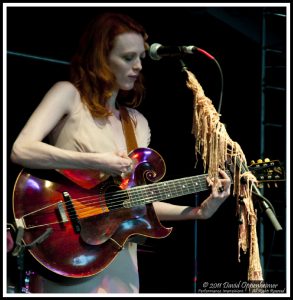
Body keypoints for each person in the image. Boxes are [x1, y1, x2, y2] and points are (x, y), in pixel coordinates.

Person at [10, 12, 231, 293]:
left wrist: (199, 212)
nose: (138, 66)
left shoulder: (137, 123)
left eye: (140, 57)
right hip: (67, 249)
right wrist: (97, 161)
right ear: (101, 57)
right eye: (128, 58)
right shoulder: (67, 95)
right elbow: (22, 149)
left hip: (120, 259)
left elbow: (133, 203)